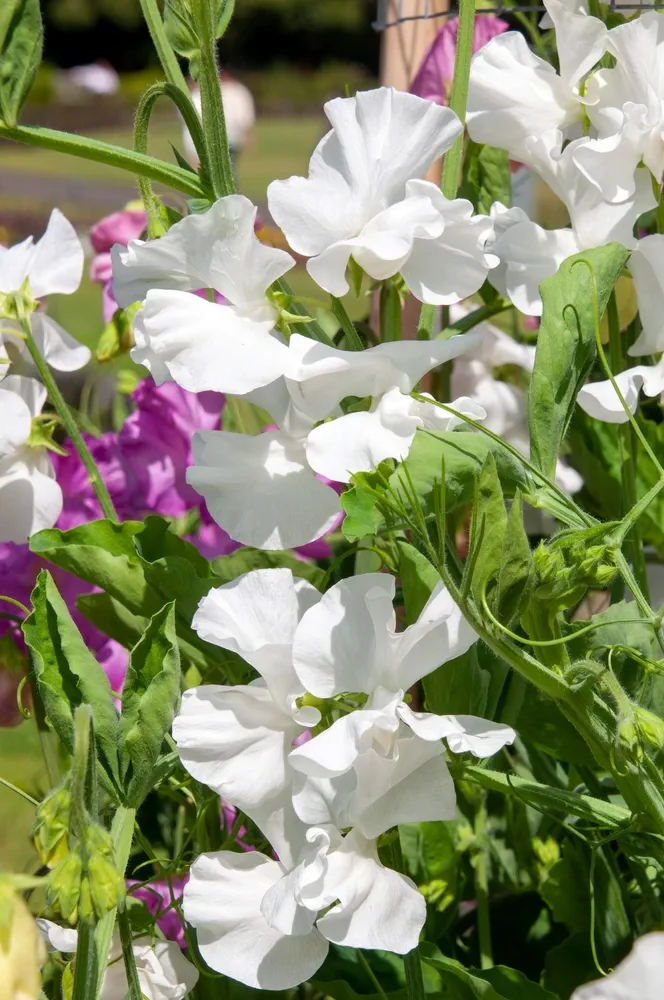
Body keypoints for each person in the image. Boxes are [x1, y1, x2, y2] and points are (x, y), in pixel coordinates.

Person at [182, 69, 256, 174]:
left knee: (226, 170)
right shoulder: (205, 93)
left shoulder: (236, 91)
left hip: (227, 136)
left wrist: (248, 135)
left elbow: (244, 115)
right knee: (224, 170)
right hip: (217, 137)